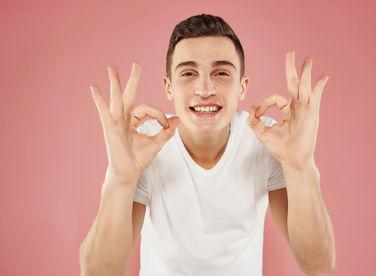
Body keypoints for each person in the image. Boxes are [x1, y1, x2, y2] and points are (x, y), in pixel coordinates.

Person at [80, 14, 335, 276]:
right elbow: (98, 272)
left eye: (221, 72)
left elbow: (318, 264)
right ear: (169, 87)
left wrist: (301, 166)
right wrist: (121, 179)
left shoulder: (266, 139)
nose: (204, 88)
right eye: (189, 73)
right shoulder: (145, 144)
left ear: (242, 86)